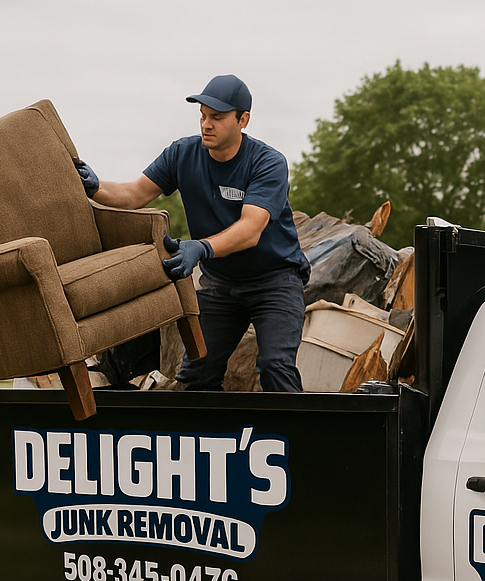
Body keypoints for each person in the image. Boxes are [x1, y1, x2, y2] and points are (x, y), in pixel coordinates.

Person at [79, 74, 311, 392]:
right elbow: (134, 194)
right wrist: (96, 187)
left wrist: (200, 248)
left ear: (243, 119)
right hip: (221, 284)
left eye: (216, 117)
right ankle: (215, 441)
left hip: (274, 281)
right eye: (202, 115)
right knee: (197, 374)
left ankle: (293, 440)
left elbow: (250, 230)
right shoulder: (182, 155)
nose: (206, 124)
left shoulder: (267, 163)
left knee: (275, 367)